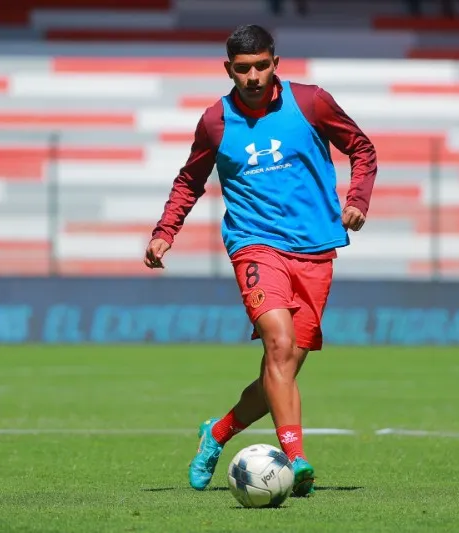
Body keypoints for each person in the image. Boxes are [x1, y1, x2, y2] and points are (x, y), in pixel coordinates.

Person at [143, 24, 377, 497]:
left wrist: (358, 199)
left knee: (283, 369)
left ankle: (218, 433)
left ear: (275, 63)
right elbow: (191, 179)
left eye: (261, 66)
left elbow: (362, 148)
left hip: (314, 250)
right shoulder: (215, 121)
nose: (252, 76)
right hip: (254, 244)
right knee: (278, 342)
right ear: (229, 69)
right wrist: (165, 232)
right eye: (243, 68)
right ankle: (296, 459)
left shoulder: (311, 102)